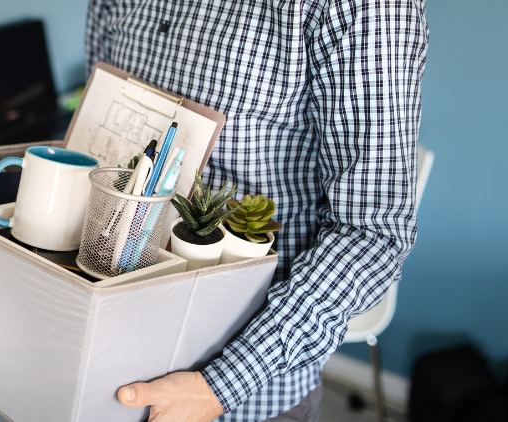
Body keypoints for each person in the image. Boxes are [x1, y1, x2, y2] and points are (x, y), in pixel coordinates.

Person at [85, 0, 429, 420]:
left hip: (232, 385)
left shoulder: (363, 8)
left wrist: (219, 385)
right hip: (101, 336)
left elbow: (373, 232)